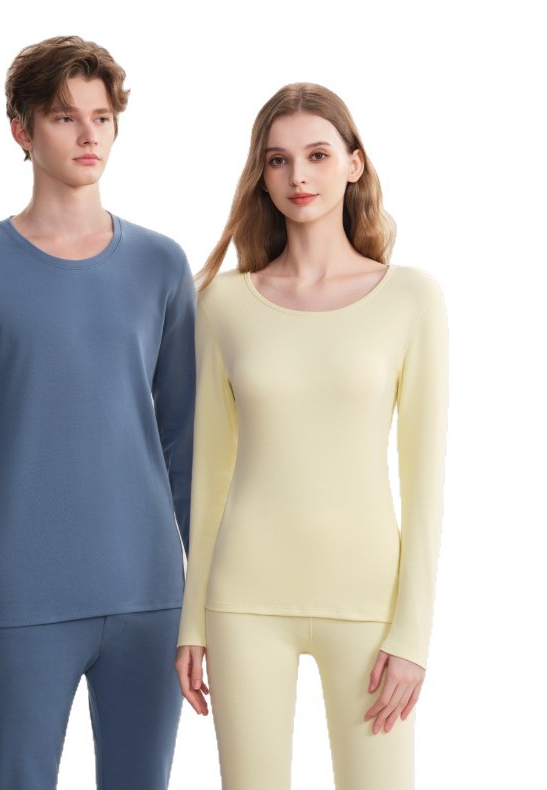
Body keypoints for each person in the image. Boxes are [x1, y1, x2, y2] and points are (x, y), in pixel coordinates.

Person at [0, 35, 195, 790]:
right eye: (65, 117)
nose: (88, 134)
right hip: (21, 603)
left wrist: (207, 593)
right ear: (22, 129)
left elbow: (187, 441)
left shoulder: (162, 265)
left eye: (101, 117)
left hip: (151, 598)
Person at [174, 83, 448, 790]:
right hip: (243, 600)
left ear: (355, 164)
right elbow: (209, 472)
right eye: (278, 160)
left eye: (318, 155)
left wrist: (413, 633)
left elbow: (424, 479)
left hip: (368, 603)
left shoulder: (411, 298)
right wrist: (192, 621)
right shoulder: (224, 303)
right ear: (261, 175)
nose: (298, 175)